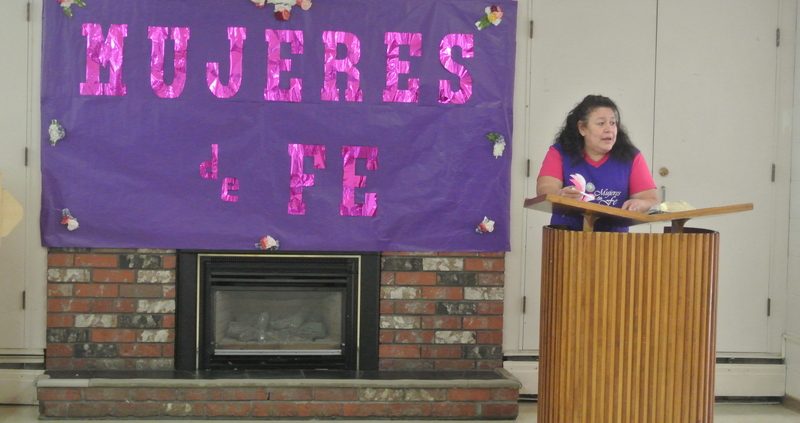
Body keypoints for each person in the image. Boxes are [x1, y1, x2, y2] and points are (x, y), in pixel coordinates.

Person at [536, 94, 659, 231]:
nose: (609, 129)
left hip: (613, 243)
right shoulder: (560, 152)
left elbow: (650, 198)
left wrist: (639, 204)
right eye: (601, 123)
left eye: (612, 123)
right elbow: (545, 190)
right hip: (567, 241)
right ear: (582, 128)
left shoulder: (631, 156)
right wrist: (560, 195)